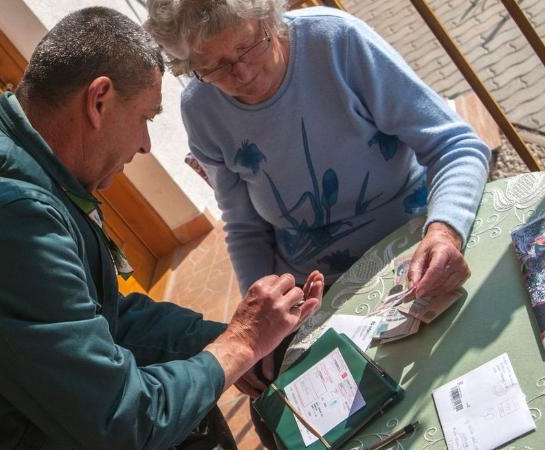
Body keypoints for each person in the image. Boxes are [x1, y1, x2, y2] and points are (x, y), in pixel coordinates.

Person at [0, 7, 324, 450]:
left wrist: (243, 345)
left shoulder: (6, 149)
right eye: (145, 117)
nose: (146, 144)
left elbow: (96, 316)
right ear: (98, 101)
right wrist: (235, 348)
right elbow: (122, 423)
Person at [144, 1, 488, 334]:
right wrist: (261, 320)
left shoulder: (336, 41)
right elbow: (246, 228)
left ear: (270, 19)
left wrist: (444, 231)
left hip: (416, 246)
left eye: (248, 46)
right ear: (189, 66)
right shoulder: (202, 111)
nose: (243, 73)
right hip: (318, 295)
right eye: (215, 67)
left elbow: (454, 145)